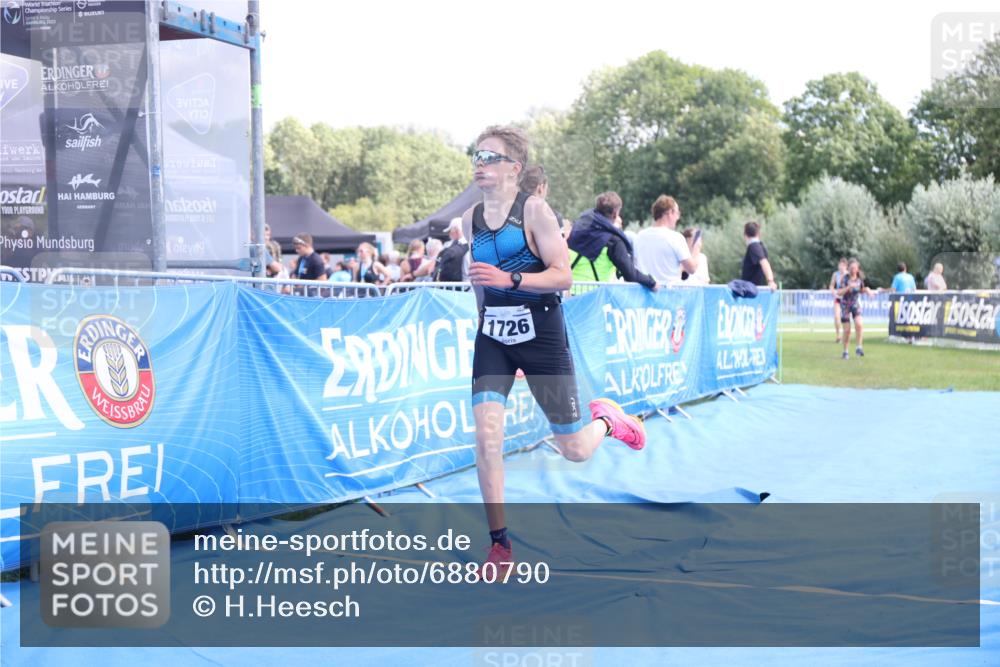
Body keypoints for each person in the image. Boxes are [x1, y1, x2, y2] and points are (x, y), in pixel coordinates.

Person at [462, 125, 646, 578]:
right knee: (487, 438)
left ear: (513, 168)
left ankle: (608, 420)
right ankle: (500, 545)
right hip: (495, 337)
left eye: (490, 157)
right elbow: (483, 283)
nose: (480, 164)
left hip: (542, 335)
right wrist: (488, 315)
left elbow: (563, 275)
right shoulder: (470, 218)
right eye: (477, 155)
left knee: (575, 451)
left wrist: (513, 281)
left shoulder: (536, 212)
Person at [568, 192, 656, 289]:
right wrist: (651, 282)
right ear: (615, 213)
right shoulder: (613, 241)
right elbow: (630, 275)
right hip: (596, 296)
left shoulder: (577, 230)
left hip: (571, 293)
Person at [634, 195, 700, 286]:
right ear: (670, 212)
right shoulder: (676, 238)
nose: (678, 218)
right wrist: (696, 247)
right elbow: (692, 269)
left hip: (644, 294)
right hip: (668, 295)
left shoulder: (639, 236)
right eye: (677, 213)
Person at [836, 258, 875, 360]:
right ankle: (845, 351)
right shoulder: (844, 279)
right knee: (847, 330)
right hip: (845, 305)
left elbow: (861, 289)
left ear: (858, 269)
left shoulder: (859, 279)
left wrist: (867, 291)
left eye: (855, 268)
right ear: (848, 268)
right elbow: (839, 292)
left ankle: (859, 347)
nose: (853, 270)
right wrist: (848, 288)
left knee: (859, 324)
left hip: (855, 304)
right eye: (851, 268)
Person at [740, 221, 777, 290]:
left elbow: (764, 262)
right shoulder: (760, 246)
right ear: (758, 234)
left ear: (745, 235)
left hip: (752, 292)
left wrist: (770, 281)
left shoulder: (754, 246)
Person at [434, 217, 470, 282]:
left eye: (450, 231)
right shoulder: (474, 246)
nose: (449, 234)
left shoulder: (449, 249)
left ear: (457, 231)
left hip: (451, 289)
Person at [829, 258, 848, 343]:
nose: (840, 267)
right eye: (839, 265)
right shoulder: (835, 274)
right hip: (838, 298)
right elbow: (831, 285)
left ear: (845, 266)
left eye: (842, 265)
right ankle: (838, 336)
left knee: (845, 318)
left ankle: (845, 335)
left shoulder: (848, 274)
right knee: (837, 316)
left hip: (847, 299)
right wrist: (833, 292)